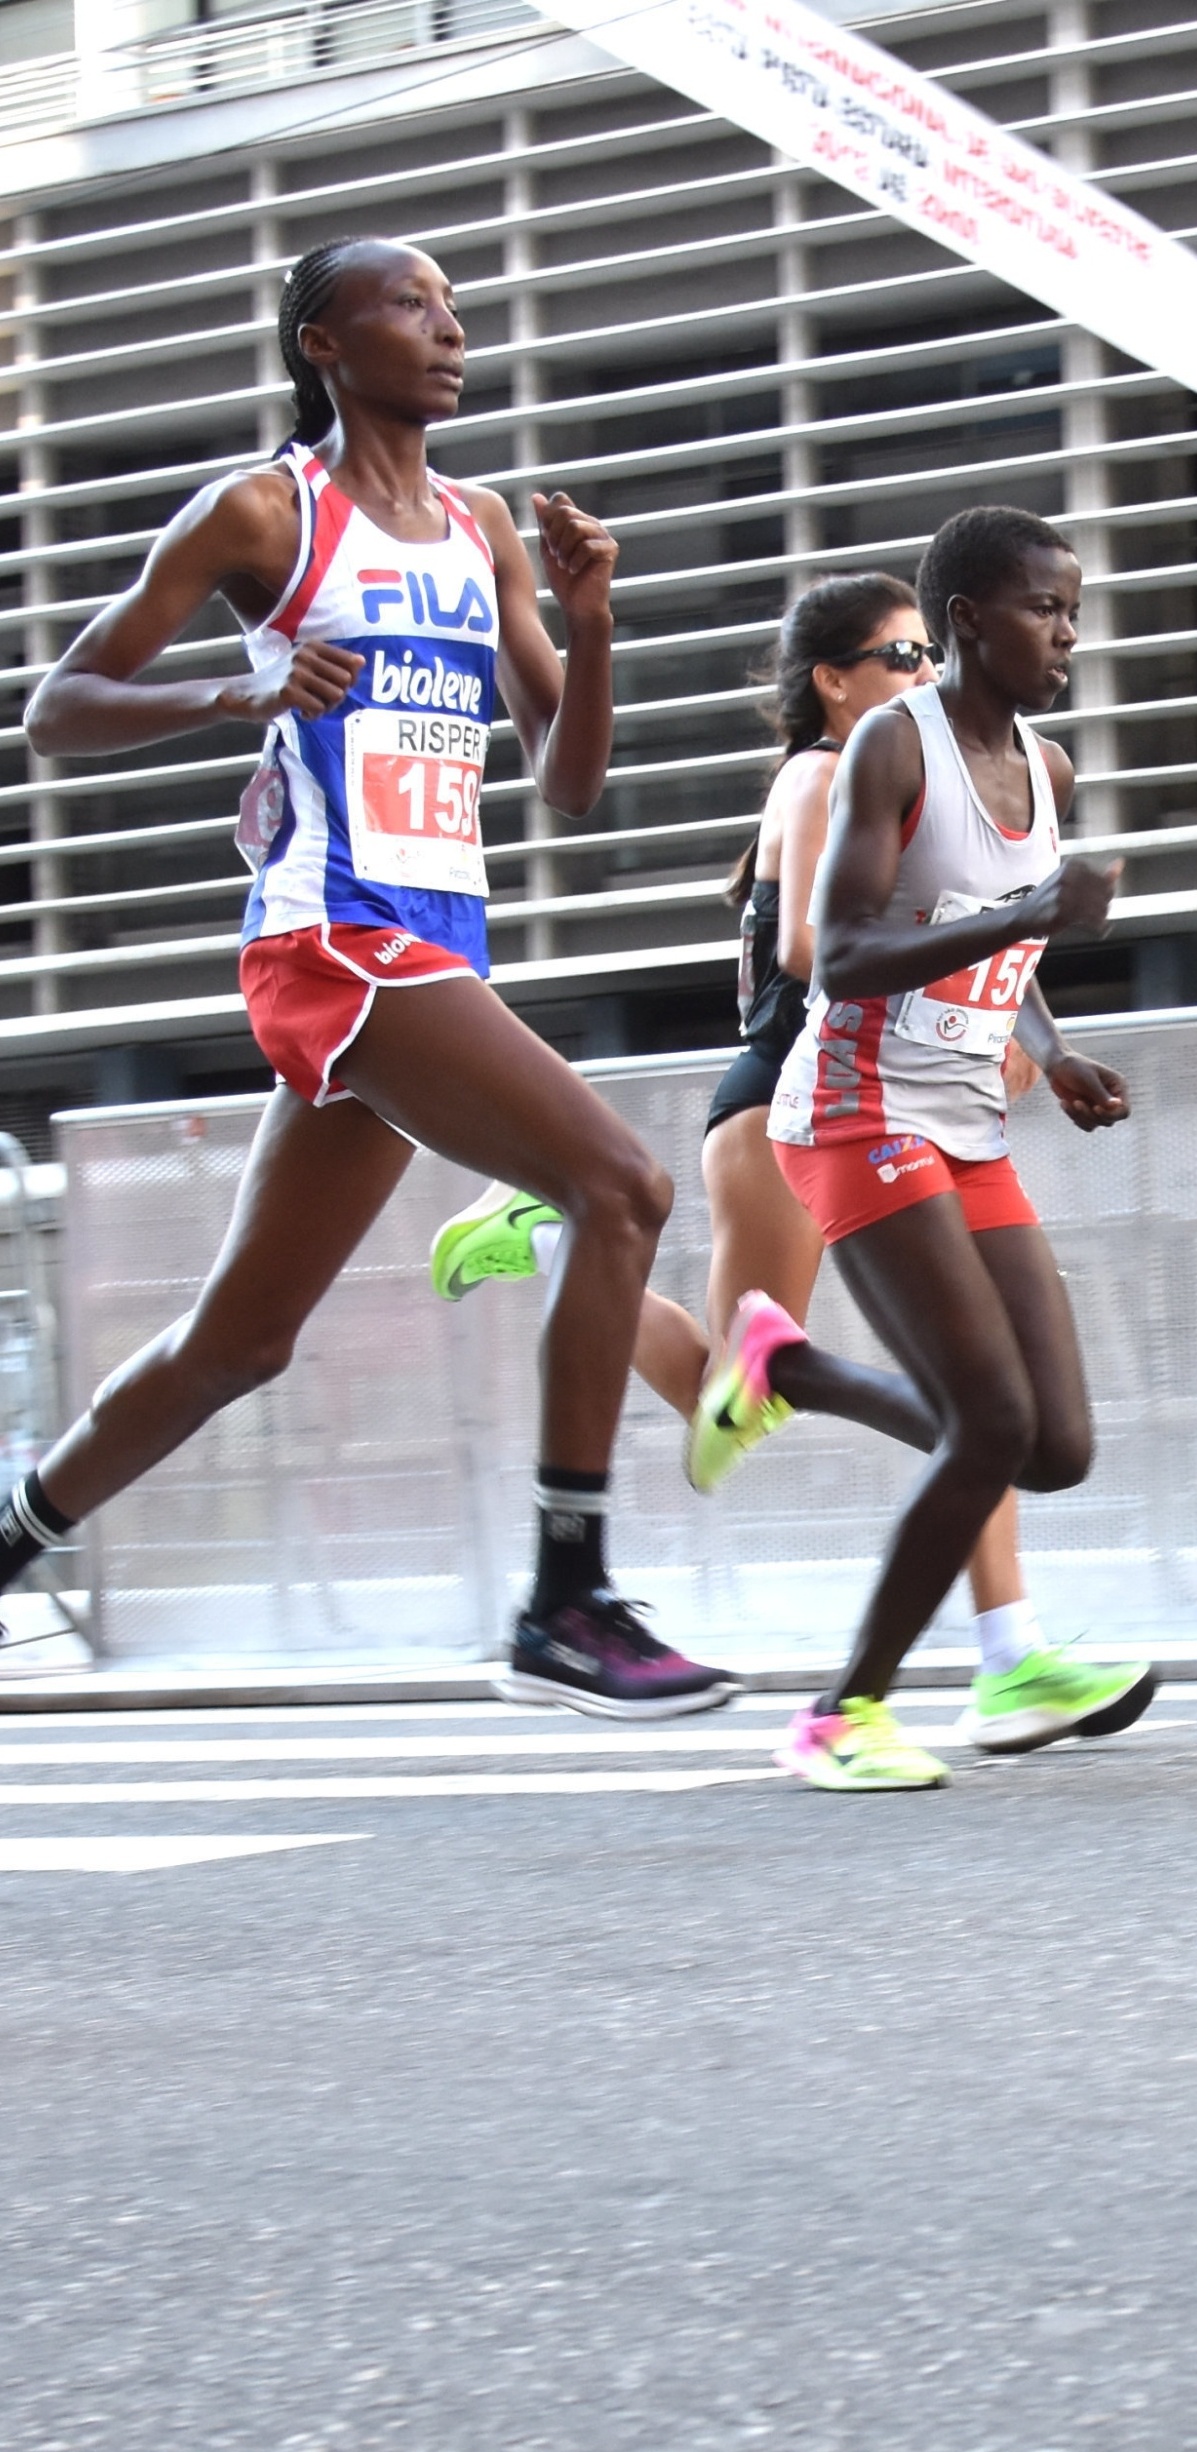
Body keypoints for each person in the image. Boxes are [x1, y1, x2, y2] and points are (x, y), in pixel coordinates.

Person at [0, 238, 730, 1716]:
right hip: (332, 936)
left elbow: (567, 781)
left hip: (433, 942)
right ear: (323, 341)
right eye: (409, 304)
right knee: (621, 1186)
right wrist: (242, 686)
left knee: (239, 1339)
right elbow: (56, 708)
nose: (447, 328)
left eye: (453, 306)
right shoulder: (266, 512)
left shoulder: (482, 533)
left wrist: (589, 625)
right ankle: (566, 1599)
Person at [427, 574, 1154, 1752]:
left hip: (913, 1103)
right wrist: (984, 964)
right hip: (792, 1098)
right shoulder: (826, 773)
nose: (923, 677)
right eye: (899, 657)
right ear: (834, 680)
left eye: (929, 655)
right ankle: (555, 1232)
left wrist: (1031, 1038)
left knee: (964, 1406)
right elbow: (826, 947)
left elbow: (982, 926)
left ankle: (1010, 1653)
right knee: (746, 1390)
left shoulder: (949, 773)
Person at [763, 505, 1126, 1790]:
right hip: (859, 1114)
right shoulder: (889, 751)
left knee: (1056, 1445)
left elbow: (998, 943)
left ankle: (792, 1369)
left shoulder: (1051, 769)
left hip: (969, 1124)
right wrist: (1030, 910)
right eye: (1045, 608)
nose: (1068, 634)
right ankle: (840, 1713)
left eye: (1075, 609)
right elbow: (846, 951)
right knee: (987, 1423)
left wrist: (1055, 1044)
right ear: (968, 619)